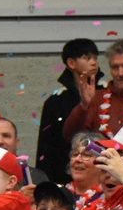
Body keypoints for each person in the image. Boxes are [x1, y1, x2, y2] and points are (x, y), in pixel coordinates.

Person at [38, 38, 101, 183]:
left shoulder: (106, 93)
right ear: (71, 63)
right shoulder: (56, 101)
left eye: (95, 58)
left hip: (102, 173)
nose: (94, 62)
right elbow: (47, 147)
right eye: (87, 58)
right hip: (65, 175)